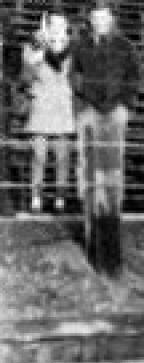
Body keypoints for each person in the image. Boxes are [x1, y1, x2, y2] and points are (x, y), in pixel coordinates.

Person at [70, 0, 139, 276]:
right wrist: (83, 107)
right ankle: (93, 250)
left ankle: (112, 256)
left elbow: (134, 78)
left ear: (112, 19)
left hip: (114, 116)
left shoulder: (125, 47)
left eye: (104, 17)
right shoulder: (81, 47)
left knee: (112, 179)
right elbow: (74, 78)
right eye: (95, 17)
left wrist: (124, 107)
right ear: (90, 20)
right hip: (89, 114)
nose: (99, 22)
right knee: (90, 177)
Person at [21, 11, 75, 215]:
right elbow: (24, 79)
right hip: (41, 107)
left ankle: (60, 199)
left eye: (62, 24)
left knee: (63, 157)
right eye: (53, 25)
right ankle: (36, 198)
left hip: (63, 108)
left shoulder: (74, 49)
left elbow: (78, 77)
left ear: (67, 27)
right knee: (38, 156)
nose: (57, 28)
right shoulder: (33, 45)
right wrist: (34, 60)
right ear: (47, 26)